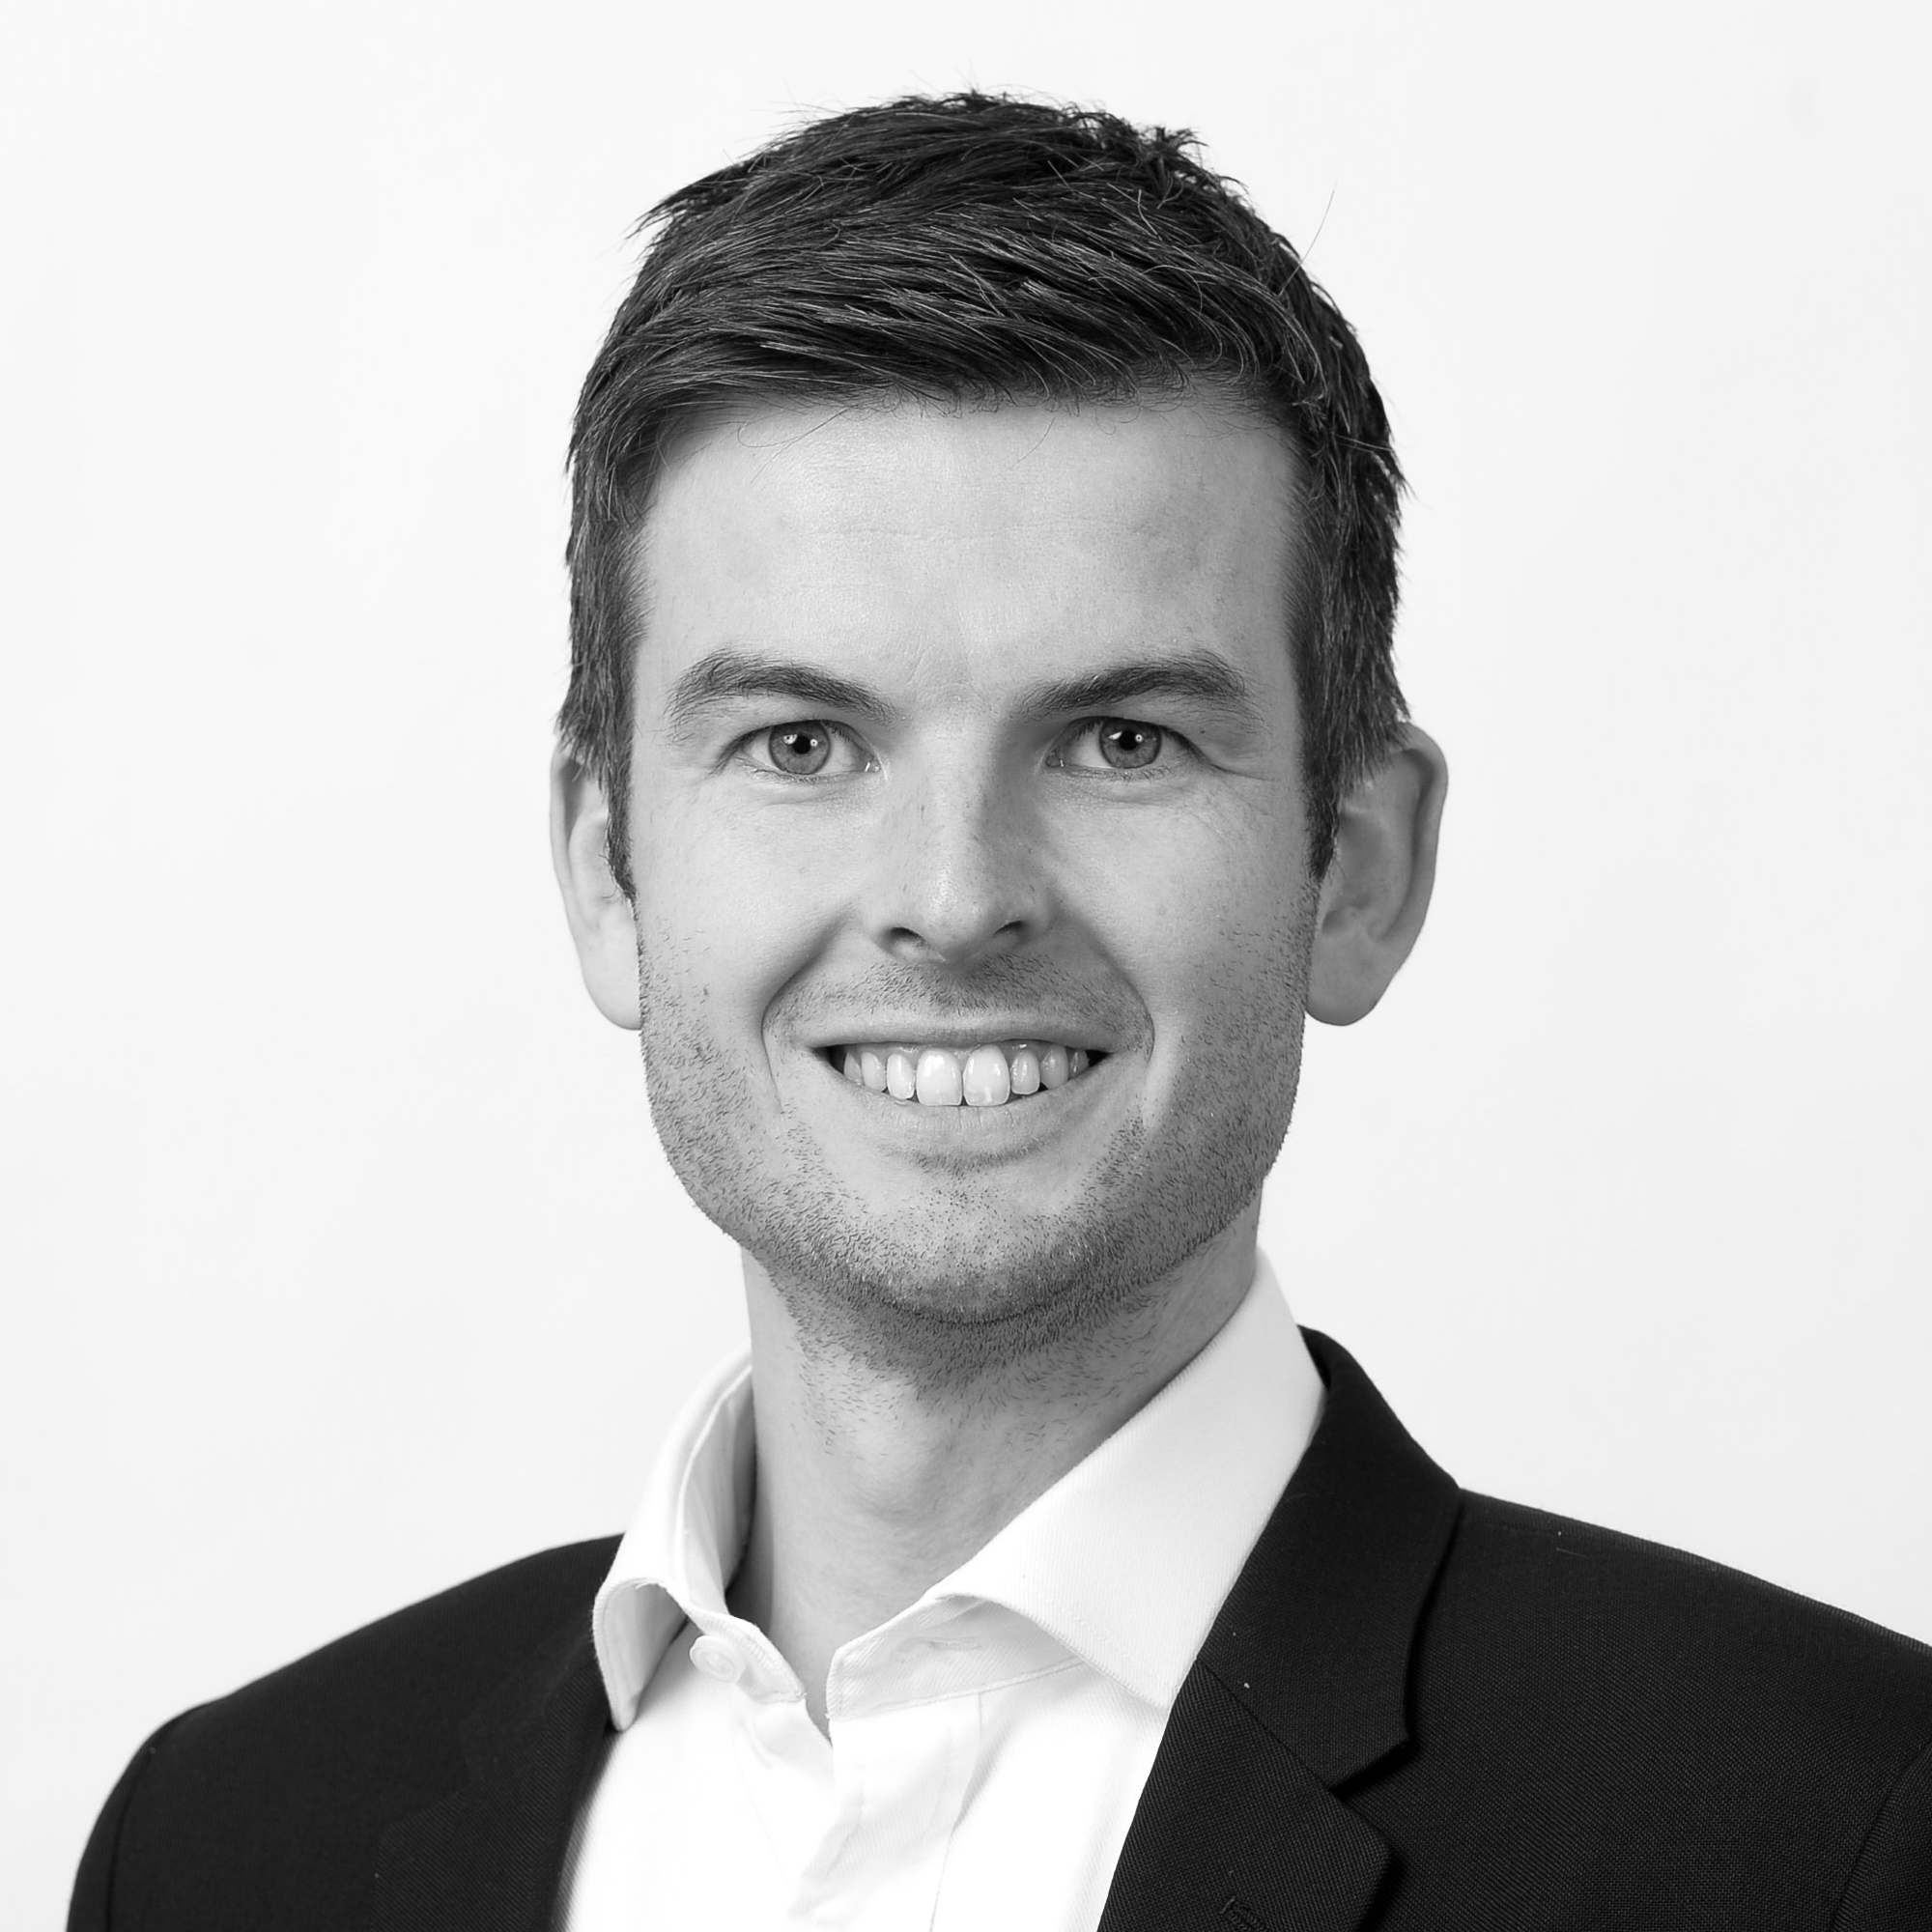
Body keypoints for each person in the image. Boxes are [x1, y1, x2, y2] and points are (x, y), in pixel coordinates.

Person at [71, 92, 1932, 1932]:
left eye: (1123, 740)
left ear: (1356, 868)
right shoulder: (224, 1847)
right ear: (606, 869)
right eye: (803, 742)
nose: (956, 899)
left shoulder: (1842, 1841)